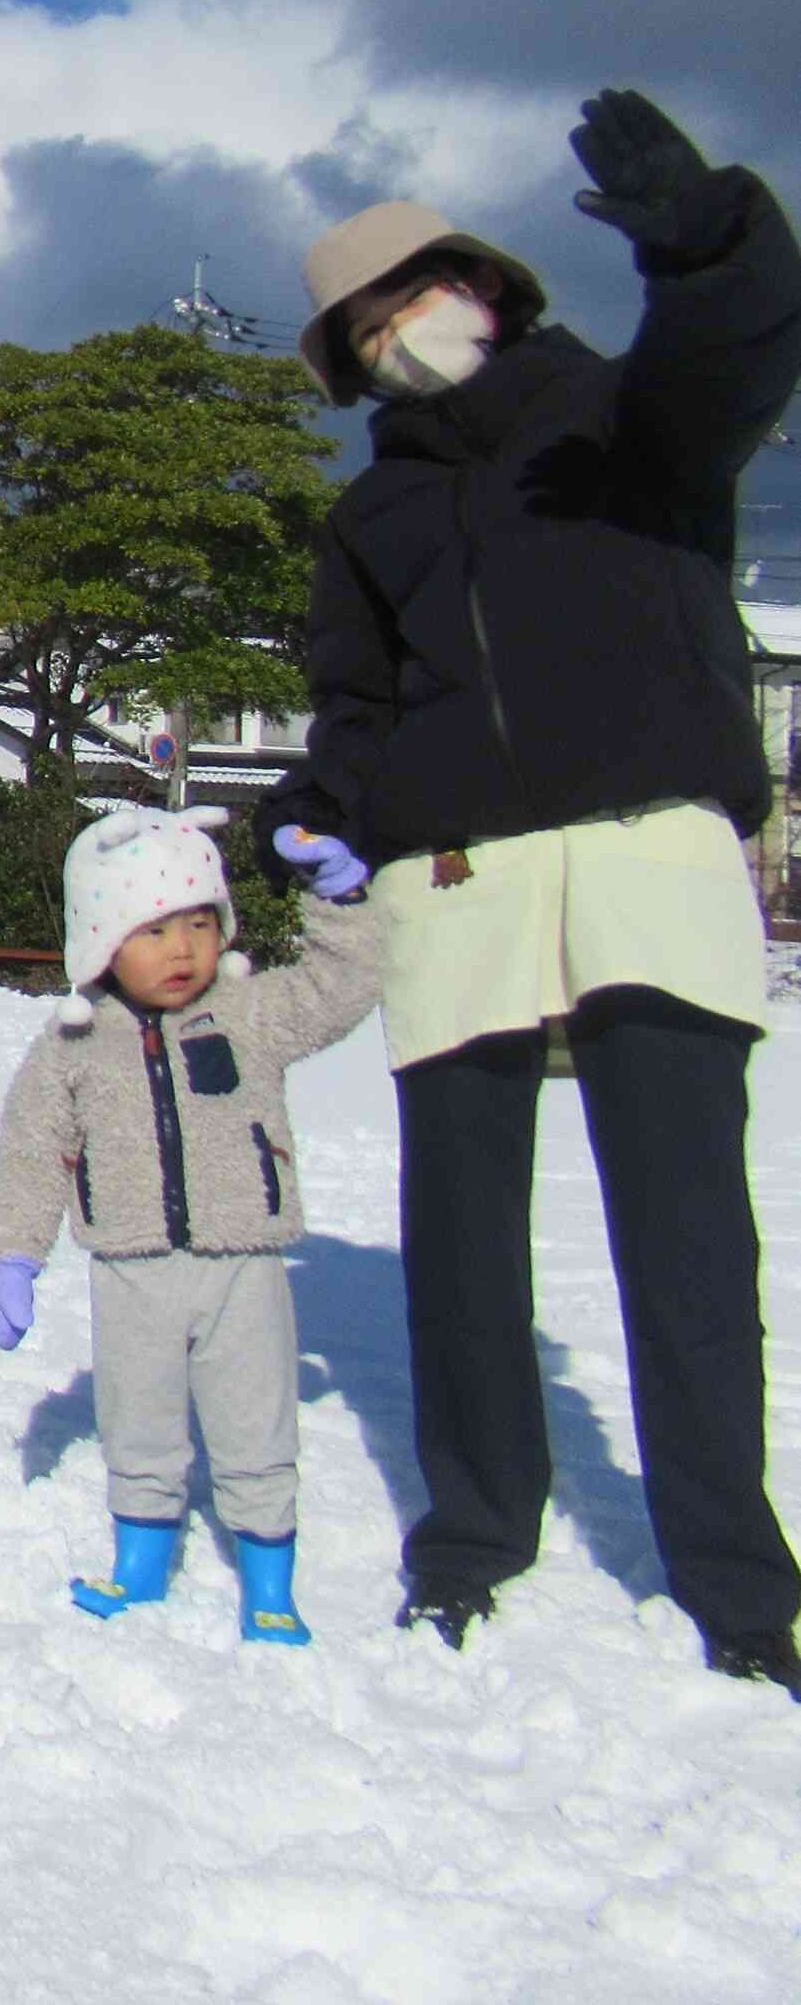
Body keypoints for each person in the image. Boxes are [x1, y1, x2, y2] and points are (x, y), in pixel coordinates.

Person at [266, 87, 801, 1695]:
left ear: (485, 288)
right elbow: (356, 705)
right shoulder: (374, 513)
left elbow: (740, 351)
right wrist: (314, 797)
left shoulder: (628, 422)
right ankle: (472, 1536)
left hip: (649, 848)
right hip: (460, 874)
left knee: (685, 1229)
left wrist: (699, 231)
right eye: (363, 330)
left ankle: (736, 1576)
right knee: (459, 1238)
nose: (393, 337)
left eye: (408, 299)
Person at [0, 806, 379, 1644]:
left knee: (255, 1420)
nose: (184, 948)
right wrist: (15, 1253)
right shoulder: (72, 1043)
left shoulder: (249, 1013)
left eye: (200, 923)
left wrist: (340, 902)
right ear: (101, 940)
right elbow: (31, 1146)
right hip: (132, 1268)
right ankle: (141, 1561)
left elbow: (339, 991)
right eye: (156, 929)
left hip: (243, 1263)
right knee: (139, 1419)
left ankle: (269, 1577)